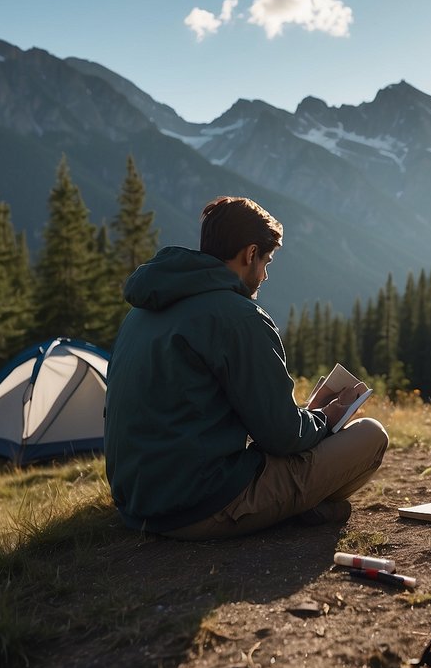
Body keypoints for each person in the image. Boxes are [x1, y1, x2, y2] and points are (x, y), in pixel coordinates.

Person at [104, 196, 388, 539]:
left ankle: (298, 507)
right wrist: (327, 417)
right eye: (266, 261)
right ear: (249, 254)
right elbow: (281, 436)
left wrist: (303, 419)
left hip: (137, 504)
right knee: (371, 436)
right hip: (199, 507)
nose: (265, 274)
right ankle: (295, 509)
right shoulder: (238, 316)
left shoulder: (143, 310)